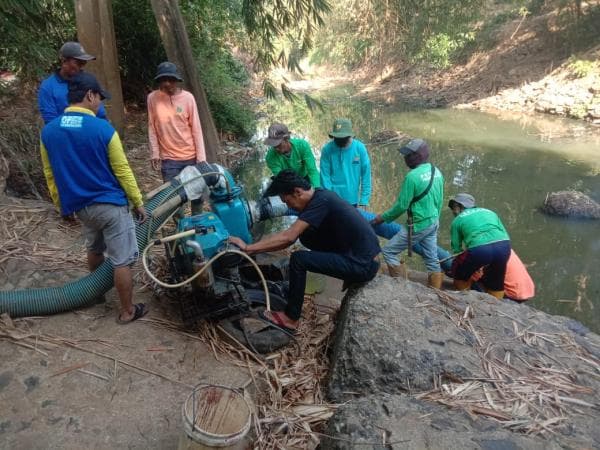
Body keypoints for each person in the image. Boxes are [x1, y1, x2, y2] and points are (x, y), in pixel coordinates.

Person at [40, 72, 148, 323]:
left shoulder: (49, 132)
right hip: (110, 206)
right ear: (89, 95)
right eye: (99, 97)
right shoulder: (103, 129)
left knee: (95, 249)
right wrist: (138, 201)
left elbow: (50, 174)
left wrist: (62, 207)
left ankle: (97, 295)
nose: (100, 103)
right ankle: (127, 311)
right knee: (122, 260)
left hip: (82, 208)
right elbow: (122, 170)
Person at [228, 170, 380, 332]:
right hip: (364, 255)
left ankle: (291, 318)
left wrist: (247, 247)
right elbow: (291, 238)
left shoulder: (321, 202)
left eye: (287, 201)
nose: (288, 206)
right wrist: (255, 250)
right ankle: (342, 265)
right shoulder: (321, 195)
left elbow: (288, 237)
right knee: (307, 236)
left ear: (298, 192)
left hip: (364, 265)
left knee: (299, 259)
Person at [371, 139, 444, 288]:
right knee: (432, 258)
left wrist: (381, 218)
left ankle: (402, 287)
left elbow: (401, 206)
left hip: (417, 224)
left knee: (389, 251)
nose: (405, 158)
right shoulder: (435, 171)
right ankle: (436, 291)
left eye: (408, 155)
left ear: (418, 156)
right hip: (433, 222)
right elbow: (440, 199)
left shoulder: (412, 177)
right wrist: (436, 219)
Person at [147, 61, 206, 214]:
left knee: (197, 197)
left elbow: (196, 129)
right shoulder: (152, 99)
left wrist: (201, 158)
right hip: (169, 160)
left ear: (177, 80)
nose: (167, 83)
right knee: (173, 200)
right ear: (159, 81)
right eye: (163, 79)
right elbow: (152, 127)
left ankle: (197, 228)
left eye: (171, 79)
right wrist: (155, 153)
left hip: (191, 157)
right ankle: (181, 232)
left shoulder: (188, 98)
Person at [448, 193, 511, 299]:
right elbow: (503, 233)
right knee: (496, 280)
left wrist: (463, 263)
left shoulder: (457, 220)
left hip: (480, 249)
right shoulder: (490, 212)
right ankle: (496, 306)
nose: (453, 212)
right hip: (504, 246)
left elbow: (456, 248)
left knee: (459, 272)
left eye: (454, 207)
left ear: (460, 206)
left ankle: (463, 299)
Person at [38, 41, 107, 124]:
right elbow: (50, 121)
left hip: (90, 133)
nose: (81, 66)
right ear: (64, 61)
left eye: (84, 62)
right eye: (78, 62)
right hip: (62, 134)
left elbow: (101, 114)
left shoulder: (88, 82)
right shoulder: (48, 87)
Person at [320, 118, 371, 208]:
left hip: (352, 199)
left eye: (342, 138)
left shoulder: (359, 148)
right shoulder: (327, 150)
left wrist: (364, 200)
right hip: (333, 199)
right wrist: (329, 199)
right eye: (336, 138)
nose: (339, 140)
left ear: (349, 136)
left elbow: (366, 175)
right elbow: (325, 177)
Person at [264, 123, 320, 188]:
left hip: (305, 176)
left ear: (287, 139)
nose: (276, 148)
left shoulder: (302, 145)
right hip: (287, 181)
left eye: (278, 144)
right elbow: (282, 178)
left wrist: (317, 189)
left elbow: (312, 170)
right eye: (273, 145)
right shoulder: (270, 157)